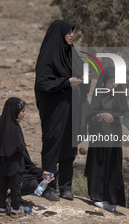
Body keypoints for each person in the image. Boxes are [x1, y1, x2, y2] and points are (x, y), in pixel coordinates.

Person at [34, 19, 88, 201]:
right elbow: (43, 83)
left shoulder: (72, 54)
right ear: (59, 35)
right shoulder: (48, 56)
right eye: (68, 32)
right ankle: (48, 187)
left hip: (73, 108)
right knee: (52, 148)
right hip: (54, 110)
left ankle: (66, 187)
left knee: (69, 147)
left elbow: (82, 76)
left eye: (73, 31)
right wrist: (66, 82)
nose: (72, 35)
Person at [84, 67, 129, 213]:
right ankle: (97, 197)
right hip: (99, 135)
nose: (114, 84)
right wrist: (100, 115)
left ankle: (111, 198)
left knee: (113, 164)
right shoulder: (98, 95)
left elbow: (125, 113)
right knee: (99, 163)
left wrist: (122, 118)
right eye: (110, 81)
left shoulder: (120, 94)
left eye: (116, 81)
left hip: (114, 135)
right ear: (104, 82)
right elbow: (90, 115)